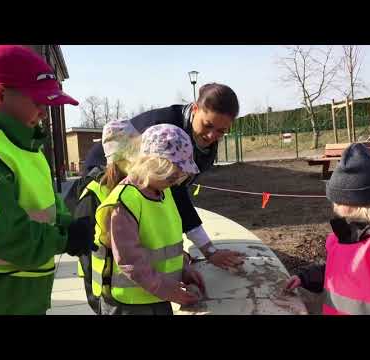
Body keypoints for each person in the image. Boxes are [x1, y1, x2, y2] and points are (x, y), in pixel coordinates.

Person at [0, 45, 95, 315]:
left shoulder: (25, 149)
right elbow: (8, 238)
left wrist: (73, 227)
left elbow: (48, 211)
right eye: (37, 102)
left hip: (20, 298)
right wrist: (66, 239)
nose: (44, 112)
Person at [87, 83, 245, 269]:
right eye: (208, 125)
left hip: (138, 182)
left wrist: (175, 253)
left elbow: (171, 196)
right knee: (108, 243)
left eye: (221, 131)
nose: (212, 136)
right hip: (105, 175)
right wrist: (209, 251)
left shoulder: (204, 139)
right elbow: (175, 194)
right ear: (195, 108)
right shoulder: (166, 131)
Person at [284, 143, 370, 315]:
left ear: (355, 202)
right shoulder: (343, 236)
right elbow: (334, 270)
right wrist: (305, 278)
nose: (333, 204)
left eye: (337, 199)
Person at [93, 124, 206, 315]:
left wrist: (183, 270)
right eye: (171, 174)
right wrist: (166, 288)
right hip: (128, 304)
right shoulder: (125, 201)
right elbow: (130, 260)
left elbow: (166, 245)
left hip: (157, 294)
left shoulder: (163, 192)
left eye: (179, 176)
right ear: (149, 163)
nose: (177, 180)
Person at [74, 120, 139, 313]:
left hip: (137, 291)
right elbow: (86, 252)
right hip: (108, 296)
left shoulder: (135, 187)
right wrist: (97, 299)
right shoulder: (94, 194)